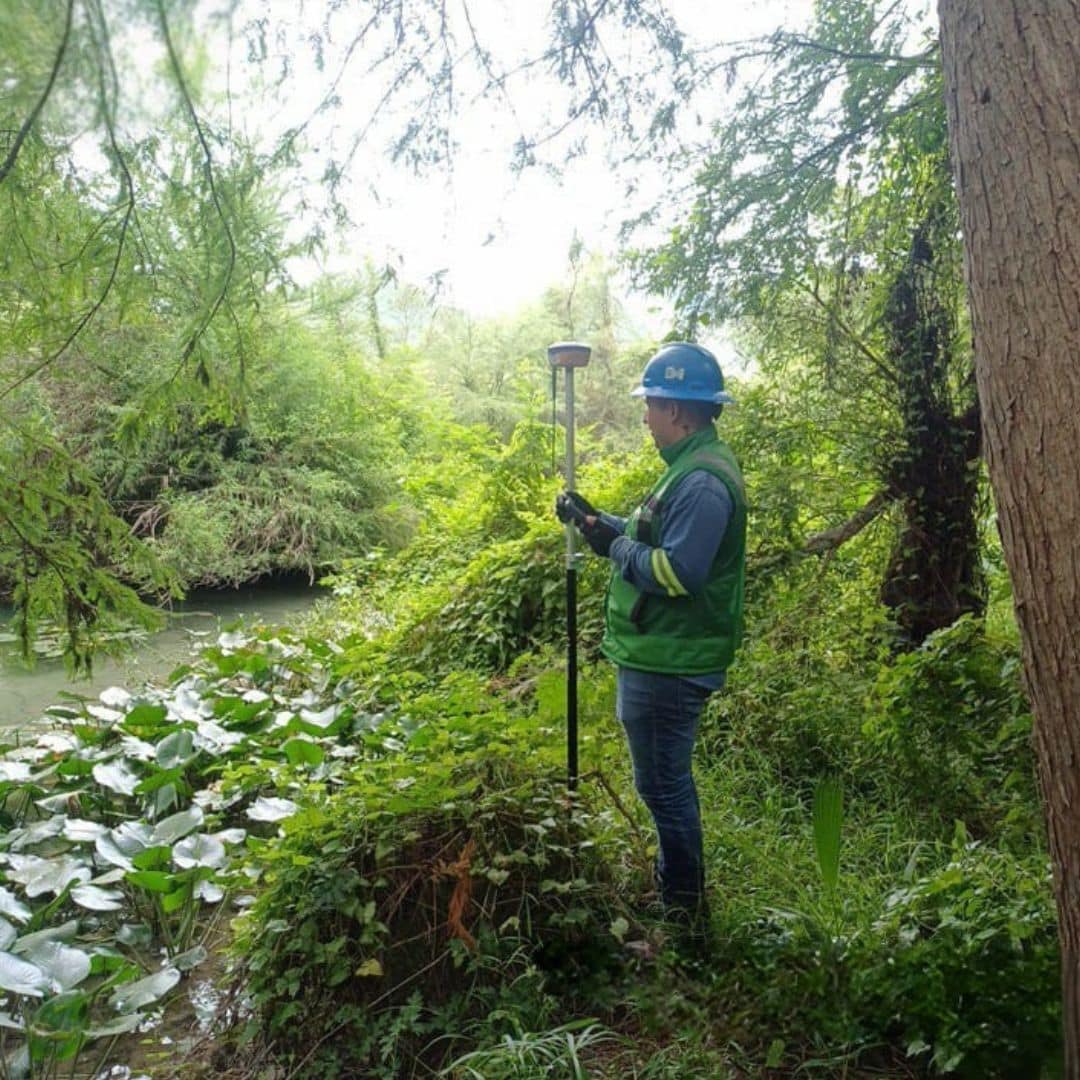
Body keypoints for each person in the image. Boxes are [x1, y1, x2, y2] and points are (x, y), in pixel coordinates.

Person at [556, 341, 746, 923]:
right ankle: (678, 894)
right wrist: (599, 524)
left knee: (664, 787)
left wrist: (616, 547)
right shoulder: (689, 469)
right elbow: (656, 540)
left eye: (651, 405)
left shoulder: (702, 483)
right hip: (659, 651)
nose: (645, 417)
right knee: (663, 783)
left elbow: (677, 572)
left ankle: (683, 911)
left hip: (671, 658)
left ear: (677, 410)